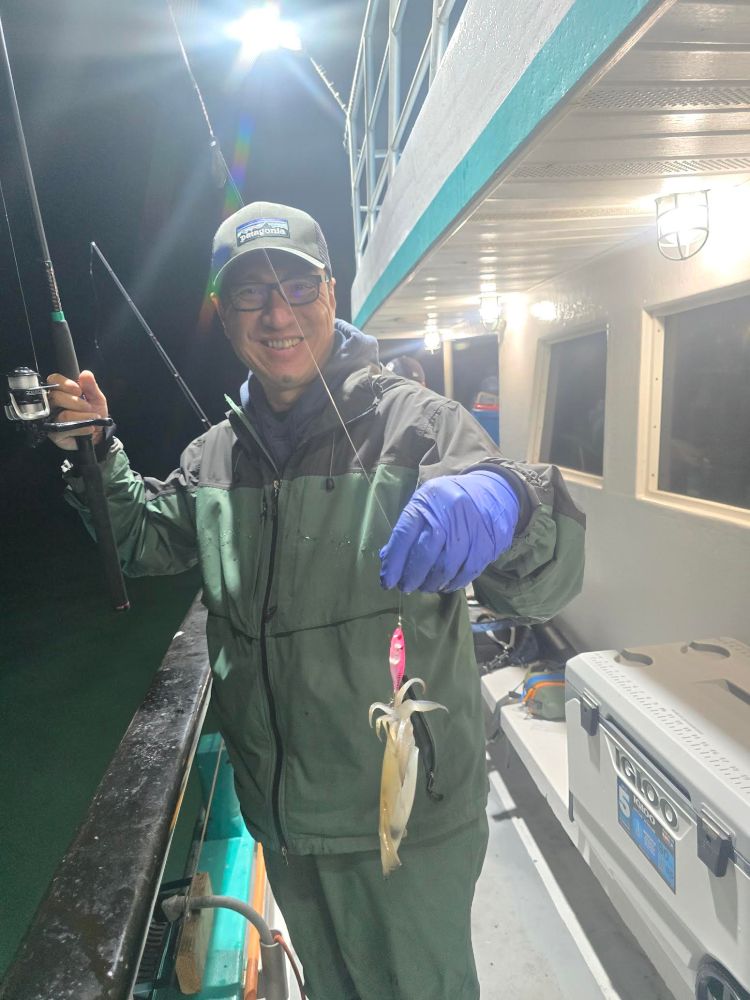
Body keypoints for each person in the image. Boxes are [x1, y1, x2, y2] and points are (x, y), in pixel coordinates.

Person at [49, 201, 585, 1000]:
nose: (277, 314)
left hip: (400, 821)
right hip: (283, 816)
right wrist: (94, 454)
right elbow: (145, 537)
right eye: (249, 296)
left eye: (295, 286)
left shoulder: (421, 425)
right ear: (226, 316)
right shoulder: (215, 456)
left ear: (332, 292)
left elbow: (546, 581)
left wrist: (509, 502)